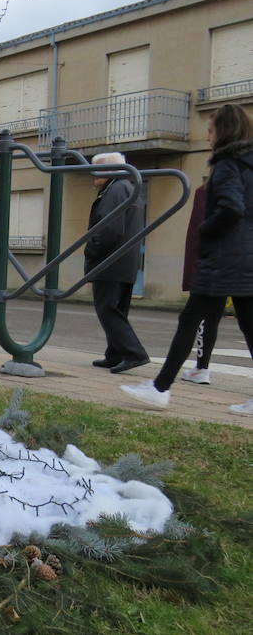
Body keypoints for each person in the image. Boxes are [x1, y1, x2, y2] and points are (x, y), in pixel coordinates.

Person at [121, 104, 253, 414]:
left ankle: (159, 388)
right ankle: (160, 386)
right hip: (246, 259)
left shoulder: (227, 165)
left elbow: (232, 208)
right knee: (248, 326)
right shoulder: (249, 165)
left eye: (210, 130)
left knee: (189, 321)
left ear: (223, 131)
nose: (207, 136)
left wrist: (206, 230)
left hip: (223, 260)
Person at [85, 152, 148, 374]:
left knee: (107, 308)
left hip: (111, 261)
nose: (93, 175)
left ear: (109, 171)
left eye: (96, 170)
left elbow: (109, 228)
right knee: (117, 309)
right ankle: (115, 354)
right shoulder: (129, 188)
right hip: (126, 260)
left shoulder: (115, 190)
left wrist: (91, 249)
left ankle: (134, 353)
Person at [179, 179, 222, 385]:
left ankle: (163, 384)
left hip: (214, 267)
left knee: (193, 319)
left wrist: (194, 273)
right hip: (236, 267)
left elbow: (198, 235)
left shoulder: (208, 191)